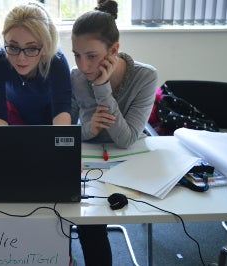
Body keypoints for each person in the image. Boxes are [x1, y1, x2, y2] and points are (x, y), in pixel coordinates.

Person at [70, 0, 158, 265]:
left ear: (114, 49)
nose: (83, 66)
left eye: (92, 56)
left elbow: (127, 138)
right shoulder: (75, 77)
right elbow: (68, 133)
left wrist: (102, 87)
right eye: (76, 54)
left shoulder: (146, 77)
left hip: (130, 162)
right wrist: (88, 129)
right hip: (89, 164)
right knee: (85, 217)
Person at [0, 1, 71, 126]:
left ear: (46, 47)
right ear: (4, 41)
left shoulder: (56, 61)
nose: (21, 58)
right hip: (12, 119)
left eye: (32, 48)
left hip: (48, 123)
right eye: (13, 47)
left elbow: (62, 112)